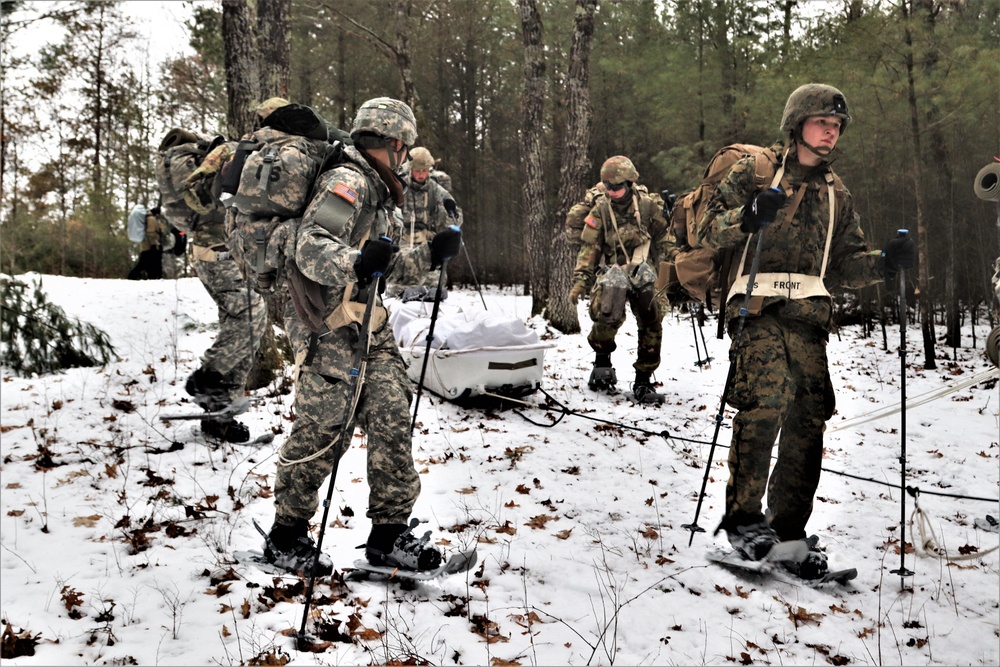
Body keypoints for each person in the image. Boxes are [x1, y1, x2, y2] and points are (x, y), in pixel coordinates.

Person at [698, 83, 916, 577]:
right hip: (755, 305)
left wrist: (884, 263)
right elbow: (708, 230)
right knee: (767, 400)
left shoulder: (838, 192)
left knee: (808, 419)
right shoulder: (755, 173)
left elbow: (843, 265)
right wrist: (749, 216)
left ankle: (789, 531)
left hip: (810, 316)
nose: (831, 132)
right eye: (823, 123)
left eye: (837, 125)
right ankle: (744, 521)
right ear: (797, 124)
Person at [263, 97, 463, 576]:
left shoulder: (380, 191)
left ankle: (389, 534)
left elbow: (383, 265)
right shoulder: (347, 182)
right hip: (328, 326)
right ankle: (286, 533)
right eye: (404, 147)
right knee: (323, 430)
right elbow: (311, 249)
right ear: (393, 143)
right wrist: (356, 262)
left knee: (393, 417)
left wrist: (431, 254)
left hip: (370, 324)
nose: (404, 155)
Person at [157, 117, 269, 444]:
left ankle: (220, 416)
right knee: (251, 315)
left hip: (218, 247)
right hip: (217, 249)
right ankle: (207, 377)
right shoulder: (207, 158)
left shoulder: (181, 161)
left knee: (238, 327)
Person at [569, 156, 674, 404]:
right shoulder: (601, 209)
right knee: (609, 310)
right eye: (608, 187)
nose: (613, 192)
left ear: (629, 183)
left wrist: (678, 259)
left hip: (641, 268)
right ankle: (602, 363)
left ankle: (643, 380)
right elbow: (588, 249)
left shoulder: (648, 207)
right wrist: (580, 282)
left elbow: (665, 238)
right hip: (612, 269)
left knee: (652, 315)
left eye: (617, 187)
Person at [389, 146, 460, 297]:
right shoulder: (399, 187)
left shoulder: (436, 189)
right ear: (410, 169)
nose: (421, 174)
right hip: (403, 243)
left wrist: (447, 215)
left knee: (434, 288)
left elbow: (456, 217)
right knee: (397, 287)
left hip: (427, 244)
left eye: (424, 170)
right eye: (417, 170)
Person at [127, 206, 171, 280]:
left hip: (147, 245)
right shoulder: (151, 219)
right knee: (145, 263)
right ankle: (132, 276)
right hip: (150, 245)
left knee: (147, 263)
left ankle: (153, 277)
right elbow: (151, 232)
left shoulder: (149, 218)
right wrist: (154, 243)